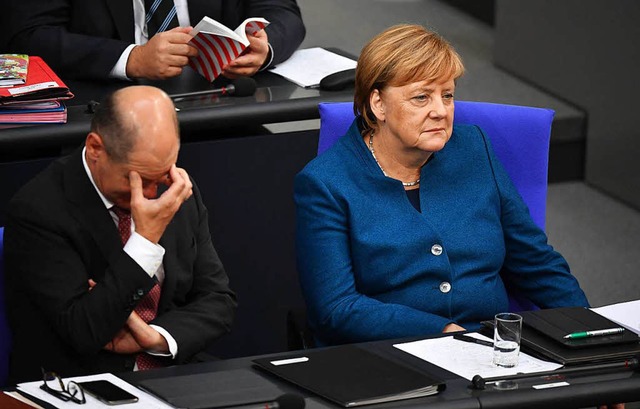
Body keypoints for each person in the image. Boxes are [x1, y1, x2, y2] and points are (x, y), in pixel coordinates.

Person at [294, 24, 590, 346]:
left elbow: (536, 263)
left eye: (447, 95)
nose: (441, 111)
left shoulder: (474, 148)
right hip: (387, 355)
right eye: (421, 97)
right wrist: (446, 332)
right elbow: (336, 309)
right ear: (378, 104)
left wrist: (593, 337)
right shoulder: (325, 183)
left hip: (490, 349)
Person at [3, 85, 237, 383]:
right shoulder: (39, 210)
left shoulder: (175, 189)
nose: (151, 194)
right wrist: (144, 244)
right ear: (96, 148)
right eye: (136, 179)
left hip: (174, 370)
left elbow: (218, 299)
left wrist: (157, 338)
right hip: (80, 382)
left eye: (161, 175)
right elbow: (83, 332)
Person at [2, 0, 305, 81]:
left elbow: (282, 11)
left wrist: (264, 49)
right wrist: (130, 58)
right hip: (101, 117)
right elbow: (28, 36)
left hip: (215, 104)